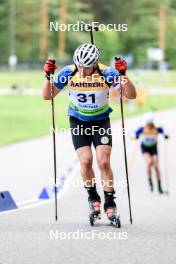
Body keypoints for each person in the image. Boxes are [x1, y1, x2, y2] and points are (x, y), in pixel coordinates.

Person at [43, 43, 136, 224]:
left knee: (103, 161)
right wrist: (47, 77)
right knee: (85, 161)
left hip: (100, 121)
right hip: (78, 121)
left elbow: (131, 95)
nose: (83, 70)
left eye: (87, 66)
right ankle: (93, 198)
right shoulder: (68, 72)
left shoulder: (107, 73)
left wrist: (124, 76)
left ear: (96, 63)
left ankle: (110, 203)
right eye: (80, 65)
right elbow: (48, 96)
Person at [134, 112, 169, 194]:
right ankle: (150, 183)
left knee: (156, 166)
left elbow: (165, 132)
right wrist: (135, 136)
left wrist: (166, 135)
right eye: (148, 124)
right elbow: (134, 134)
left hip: (153, 148)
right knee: (149, 162)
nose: (149, 125)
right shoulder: (142, 129)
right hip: (145, 148)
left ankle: (159, 187)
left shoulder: (157, 128)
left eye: (150, 124)